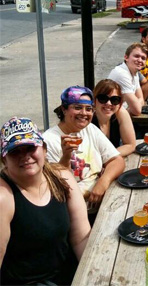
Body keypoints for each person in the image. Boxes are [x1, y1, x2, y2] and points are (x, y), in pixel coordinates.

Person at [0, 117, 91, 285]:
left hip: (68, 277)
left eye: (30, 148)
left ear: (44, 149)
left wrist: (93, 274)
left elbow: (81, 238)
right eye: (15, 151)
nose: (25, 156)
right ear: (4, 160)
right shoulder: (3, 196)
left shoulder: (62, 178)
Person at [43, 86, 125, 217]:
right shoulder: (49, 140)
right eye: (77, 107)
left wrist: (103, 182)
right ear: (64, 109)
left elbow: (117, 160)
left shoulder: (90, 129)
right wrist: (66, 156)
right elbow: (57, 187)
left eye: (89, 109)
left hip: (105, 203)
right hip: (76, 213)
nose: (84, 113)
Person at [92, 79, 136, 157]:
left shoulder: (120, 113)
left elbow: (130, 145)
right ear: (94, 100)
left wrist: (109, 156)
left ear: (120, 103)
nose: (108, 103)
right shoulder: (88, 119)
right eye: (103, 98)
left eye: (114, 100)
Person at [108, 43, 148, 116]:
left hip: (121, 113)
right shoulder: (122, 74)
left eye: (143, 58)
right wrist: (133, 107)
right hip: (111, 118)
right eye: (136, 56)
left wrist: (133, 107)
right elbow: (137, 110)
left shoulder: (134, 72)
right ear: (126, 57)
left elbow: (141, 98)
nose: (140, 60)